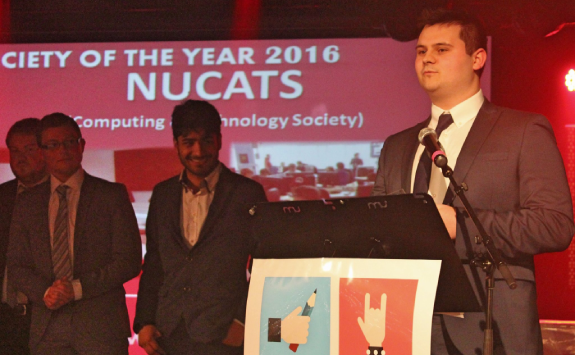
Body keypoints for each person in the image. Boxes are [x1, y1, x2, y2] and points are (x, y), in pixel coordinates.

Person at [372, 8, 574, 355]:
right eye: (421, 51)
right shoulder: (397, 145)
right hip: (408, 325)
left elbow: (555, 225)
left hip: (491, 324)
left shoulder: (523, 131)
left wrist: (459, 223)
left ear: (478, 57)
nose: (427, 60)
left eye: (442, 49)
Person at [134, 100, 267, 355]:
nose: (198, 150)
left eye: (206, 140)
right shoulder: (162, 194)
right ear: (176, 144)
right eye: (188, 142)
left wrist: (243, 319)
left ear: (218, 140)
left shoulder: (247, 193)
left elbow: (263, 264)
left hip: (224, 333)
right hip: (168, 333)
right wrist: (145, 320)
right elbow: (154, 264)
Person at [7, 113, 142, 354]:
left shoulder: (111, 195)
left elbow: (129, 261)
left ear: (82, 146)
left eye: (70, 142)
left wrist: (77, 289)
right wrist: (46, 292)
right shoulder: (27, 203)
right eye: (53, 145)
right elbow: (17, 266)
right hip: (47, 329)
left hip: (101, 328)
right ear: (42, 151)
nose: (63, 150)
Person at [0, 118, 47, 355]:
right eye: (14, 151)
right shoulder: (2, 197)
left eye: (29, 149)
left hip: (50, 319)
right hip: (5, 320)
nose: (20, 158)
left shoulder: (65, 196)